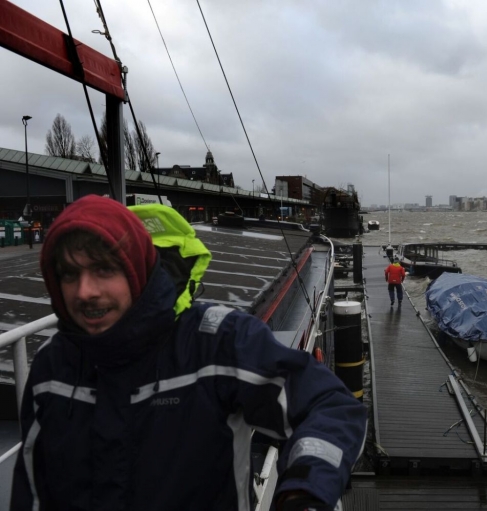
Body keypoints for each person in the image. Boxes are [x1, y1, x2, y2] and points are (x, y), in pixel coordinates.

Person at [11, 195, 367, 511]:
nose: (85, 291)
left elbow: (328, 406)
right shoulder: (50, 366)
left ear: (138, 271)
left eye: (105, 269)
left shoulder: (217, 345)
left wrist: (305, 491)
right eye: (70, 274)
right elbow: (32, 488)